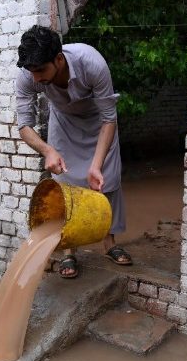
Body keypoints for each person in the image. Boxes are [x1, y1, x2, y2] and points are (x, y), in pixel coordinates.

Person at [15, 25, 132, 279]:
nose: (35, 79)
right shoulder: (28, 75)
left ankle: (109, 243)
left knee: (107, 182)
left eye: (40, 71)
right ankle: (69, 251)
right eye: (31, 72)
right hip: (64, 123)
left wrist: (96, 165)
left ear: (58, 59)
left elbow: (109, 118)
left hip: (99, 123)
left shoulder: (92, 63)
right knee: (63, 187)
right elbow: (24, 125)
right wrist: (47, 150)